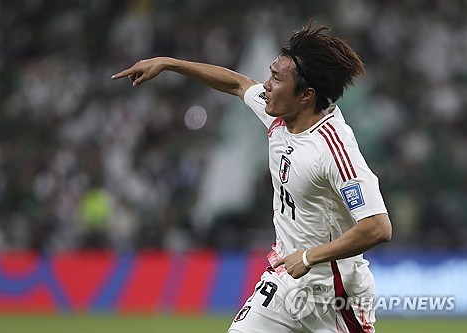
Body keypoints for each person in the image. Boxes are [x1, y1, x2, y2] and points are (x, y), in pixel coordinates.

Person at [112, 19, 392, 333]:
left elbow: (378, 227)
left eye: (276, 78)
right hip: (284, 281)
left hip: (334, 299)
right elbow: (236, 83)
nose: (266, 85)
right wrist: (170, 63)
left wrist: (311, 257)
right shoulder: (280, 113)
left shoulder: (334, 149)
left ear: (306, 95)